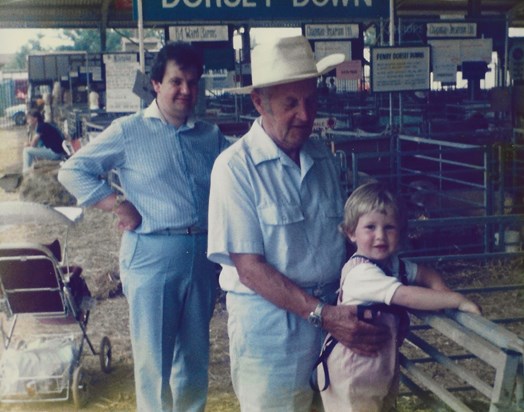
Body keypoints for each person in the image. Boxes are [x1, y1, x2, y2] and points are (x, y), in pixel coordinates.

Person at [207, 35, 390, 411]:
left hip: (334, 318)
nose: (305, 116)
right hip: (273, 334)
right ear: (259, 101)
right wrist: (326, 316)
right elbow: (250, 269)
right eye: (291, 103)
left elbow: (345, 238)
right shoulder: (234, 167)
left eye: (310, 101)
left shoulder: (321, 156)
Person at [58, 42, 229, 412]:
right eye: (176, 81)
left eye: (193, 82)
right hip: (151, 256)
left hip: (201, 257)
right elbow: (72, 170)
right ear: (155, 84)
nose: (186, 90)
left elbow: (237, 177)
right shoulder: (127, 131)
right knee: (154, 360)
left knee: (195, 357)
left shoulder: (210, 137)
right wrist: (116, 203)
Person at [318, 181, 481, 412]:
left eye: (389, 227)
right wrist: (456, 300)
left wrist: (440, 288)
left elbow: (424, 273)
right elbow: (406, 295)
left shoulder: (393, 264)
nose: (380, 236)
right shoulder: (362, 272)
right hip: (353, 372)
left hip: (378, 364)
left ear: (401, 231)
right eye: (370, 227)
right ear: (351, 232)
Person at [23, 109, 67, 173]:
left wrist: (27, 144)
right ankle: (30, 168)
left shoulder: (41, 126)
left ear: (35, 119)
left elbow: (33, 144)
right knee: (32, 149)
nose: (27, 121)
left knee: (26, 150)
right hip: (56, 151)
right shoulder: (43, 125)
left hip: (55, 153)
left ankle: (25, 171)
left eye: (29, 119)